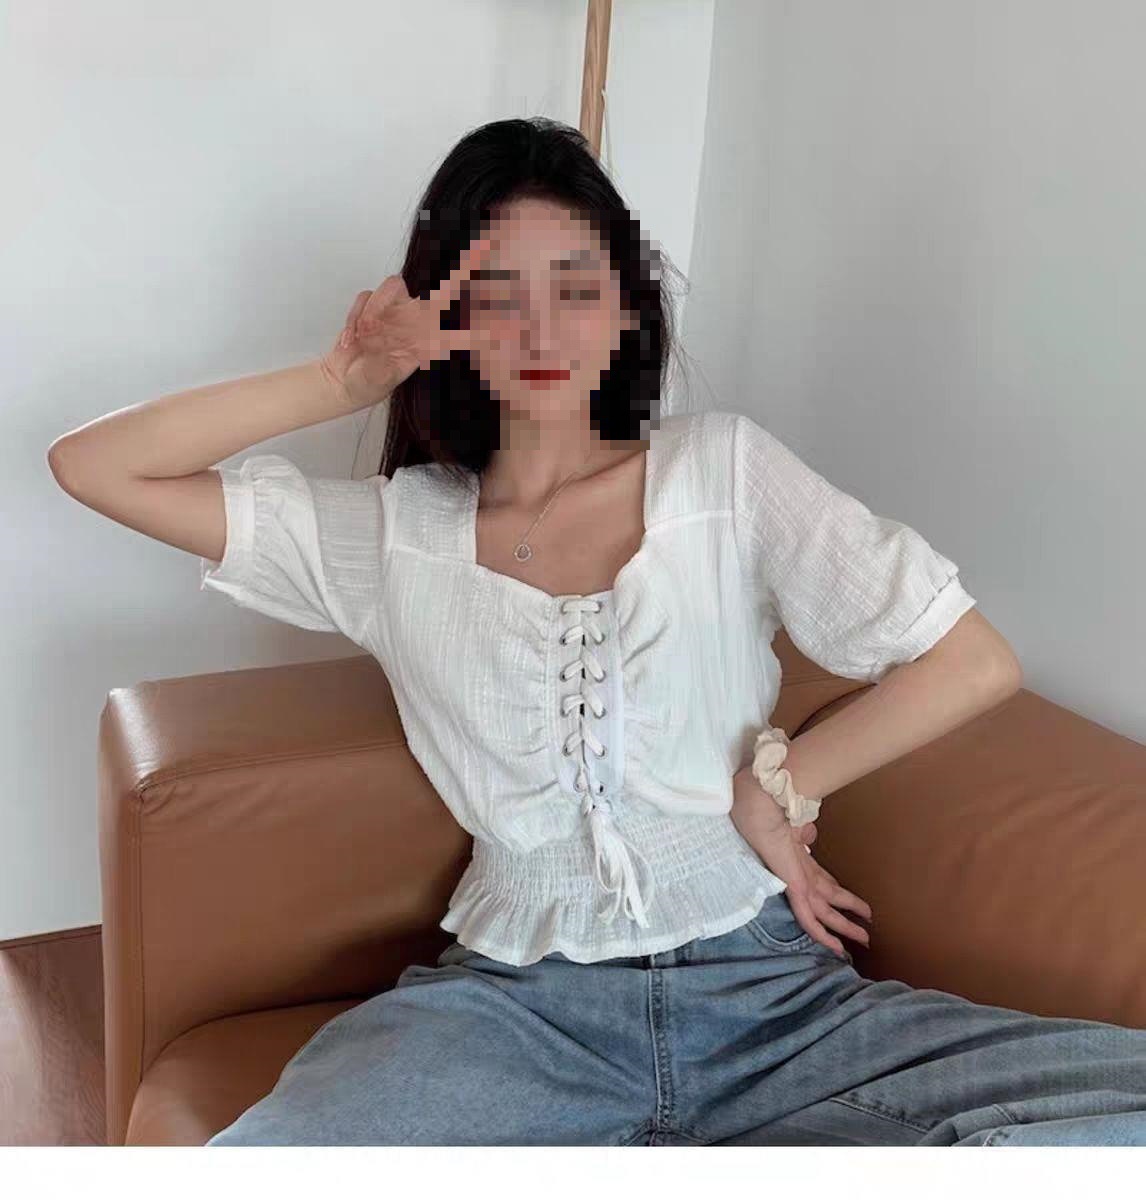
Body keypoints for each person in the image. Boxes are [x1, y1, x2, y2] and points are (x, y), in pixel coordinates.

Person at [48, 117, 1146, 1146]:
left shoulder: (722, 472)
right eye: (498, 295)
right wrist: (341, 379)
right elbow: (94, 467)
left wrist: (779, 783)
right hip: (515, 1018)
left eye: (577, 288)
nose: (541, 330)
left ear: (627, 307)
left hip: (774, 1004)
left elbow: (969, 659)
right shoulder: (391, 538)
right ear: (449, 320)